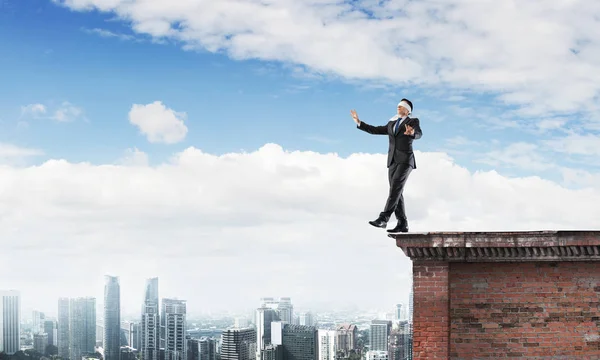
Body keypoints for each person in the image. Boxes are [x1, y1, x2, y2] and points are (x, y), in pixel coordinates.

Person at [350, 99, 422, 233]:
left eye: (401, 106)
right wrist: (359, 122)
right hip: (392, 161)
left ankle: (384, 219)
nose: (398, 108)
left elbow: (419, 134)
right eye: (397, 106)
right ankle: (402, 223)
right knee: (396, 191)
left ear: (407, 110)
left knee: (395, 188)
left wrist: (412, 133)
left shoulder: (412, 121)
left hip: (406, 160)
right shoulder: (392, 123)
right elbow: (375, 130)